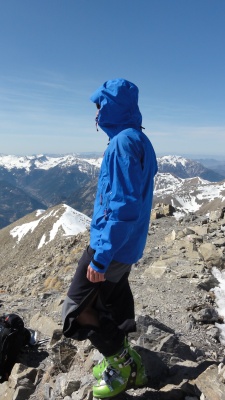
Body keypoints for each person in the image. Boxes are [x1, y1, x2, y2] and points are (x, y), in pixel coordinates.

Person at [62, 78, 158, 398]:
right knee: (112, 301)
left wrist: (101, 255)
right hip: (127, 245)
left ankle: (122, 366)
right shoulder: (139, 140)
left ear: (112, 107)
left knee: (78, 311)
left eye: (99, 105)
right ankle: (129, 362)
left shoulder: (121, 145)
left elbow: (123, 207)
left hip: (111, 247)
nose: (96, 112)